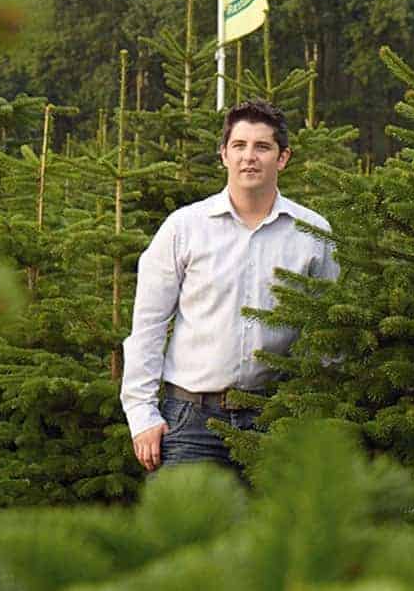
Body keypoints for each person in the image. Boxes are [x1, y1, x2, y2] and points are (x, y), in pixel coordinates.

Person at [120, 100, 338, 474]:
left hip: (275, 418)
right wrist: (142, 415)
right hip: (190, 422)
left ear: (282, 158)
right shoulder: (184, 228)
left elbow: (328, 335)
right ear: (224, 155)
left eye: (262, 147)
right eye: (239, 146)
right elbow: (148, 327)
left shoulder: (313, 234)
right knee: (187, 532)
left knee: (275, 533)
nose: (249, 157)